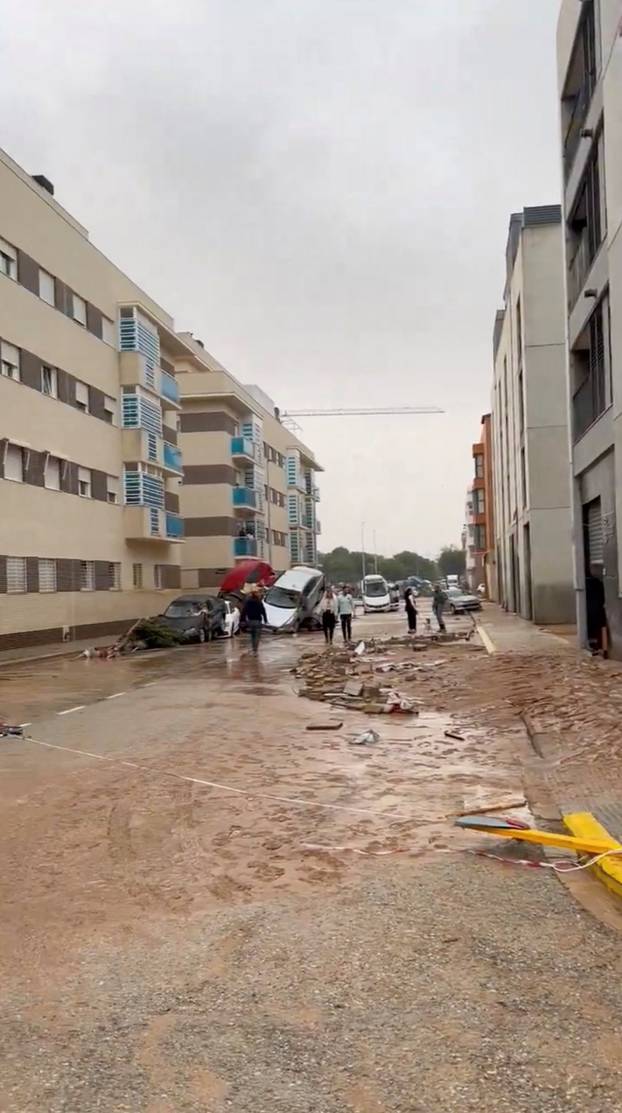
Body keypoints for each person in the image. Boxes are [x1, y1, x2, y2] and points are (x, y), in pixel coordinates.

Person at [241, 585, 267, 654]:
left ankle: (253, 649)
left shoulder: (248, 603)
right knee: (257, 636)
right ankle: (255, 650)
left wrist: (242, 620)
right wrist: (265, 619)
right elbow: (263, 611)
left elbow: (244, 611)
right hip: (258, 621)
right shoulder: (259, 602)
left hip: (250, 621)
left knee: (252, 636)